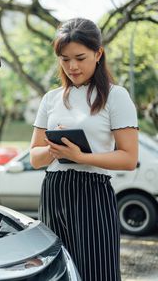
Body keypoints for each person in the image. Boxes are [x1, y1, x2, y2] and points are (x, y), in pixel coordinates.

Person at [29, 18, 138, 281]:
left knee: (96, 272)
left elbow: (129, 158)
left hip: (92, 193)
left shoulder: (116, 96)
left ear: (98, 53)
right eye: (65, 59)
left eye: (79, 57)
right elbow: (34, 157)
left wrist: (80, 157)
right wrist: (55, 151)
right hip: (54, 190)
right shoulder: (51, 98)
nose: (72, 66)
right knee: (57, 272)